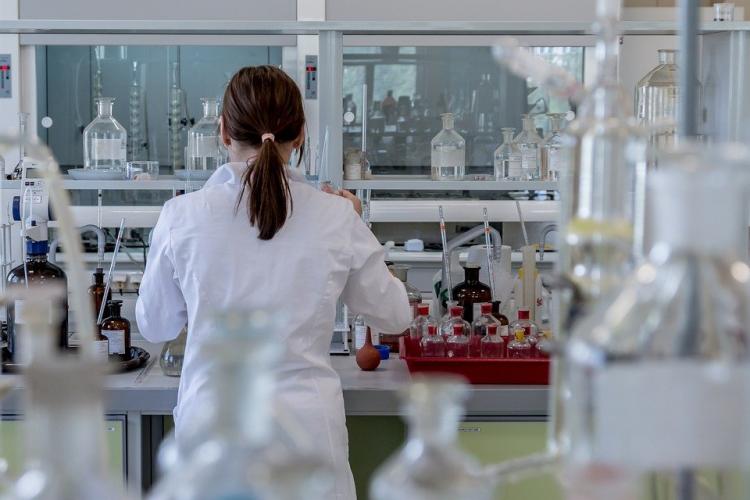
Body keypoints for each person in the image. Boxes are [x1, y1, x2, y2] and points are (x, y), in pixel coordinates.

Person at [136, 66, 411, 500]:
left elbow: (155, 327)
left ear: (223, 131)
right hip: (308, 440)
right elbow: (395, 315)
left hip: (212, 438)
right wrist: (359, 224)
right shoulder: (336, 215)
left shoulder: (181, 216)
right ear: (299, 134)